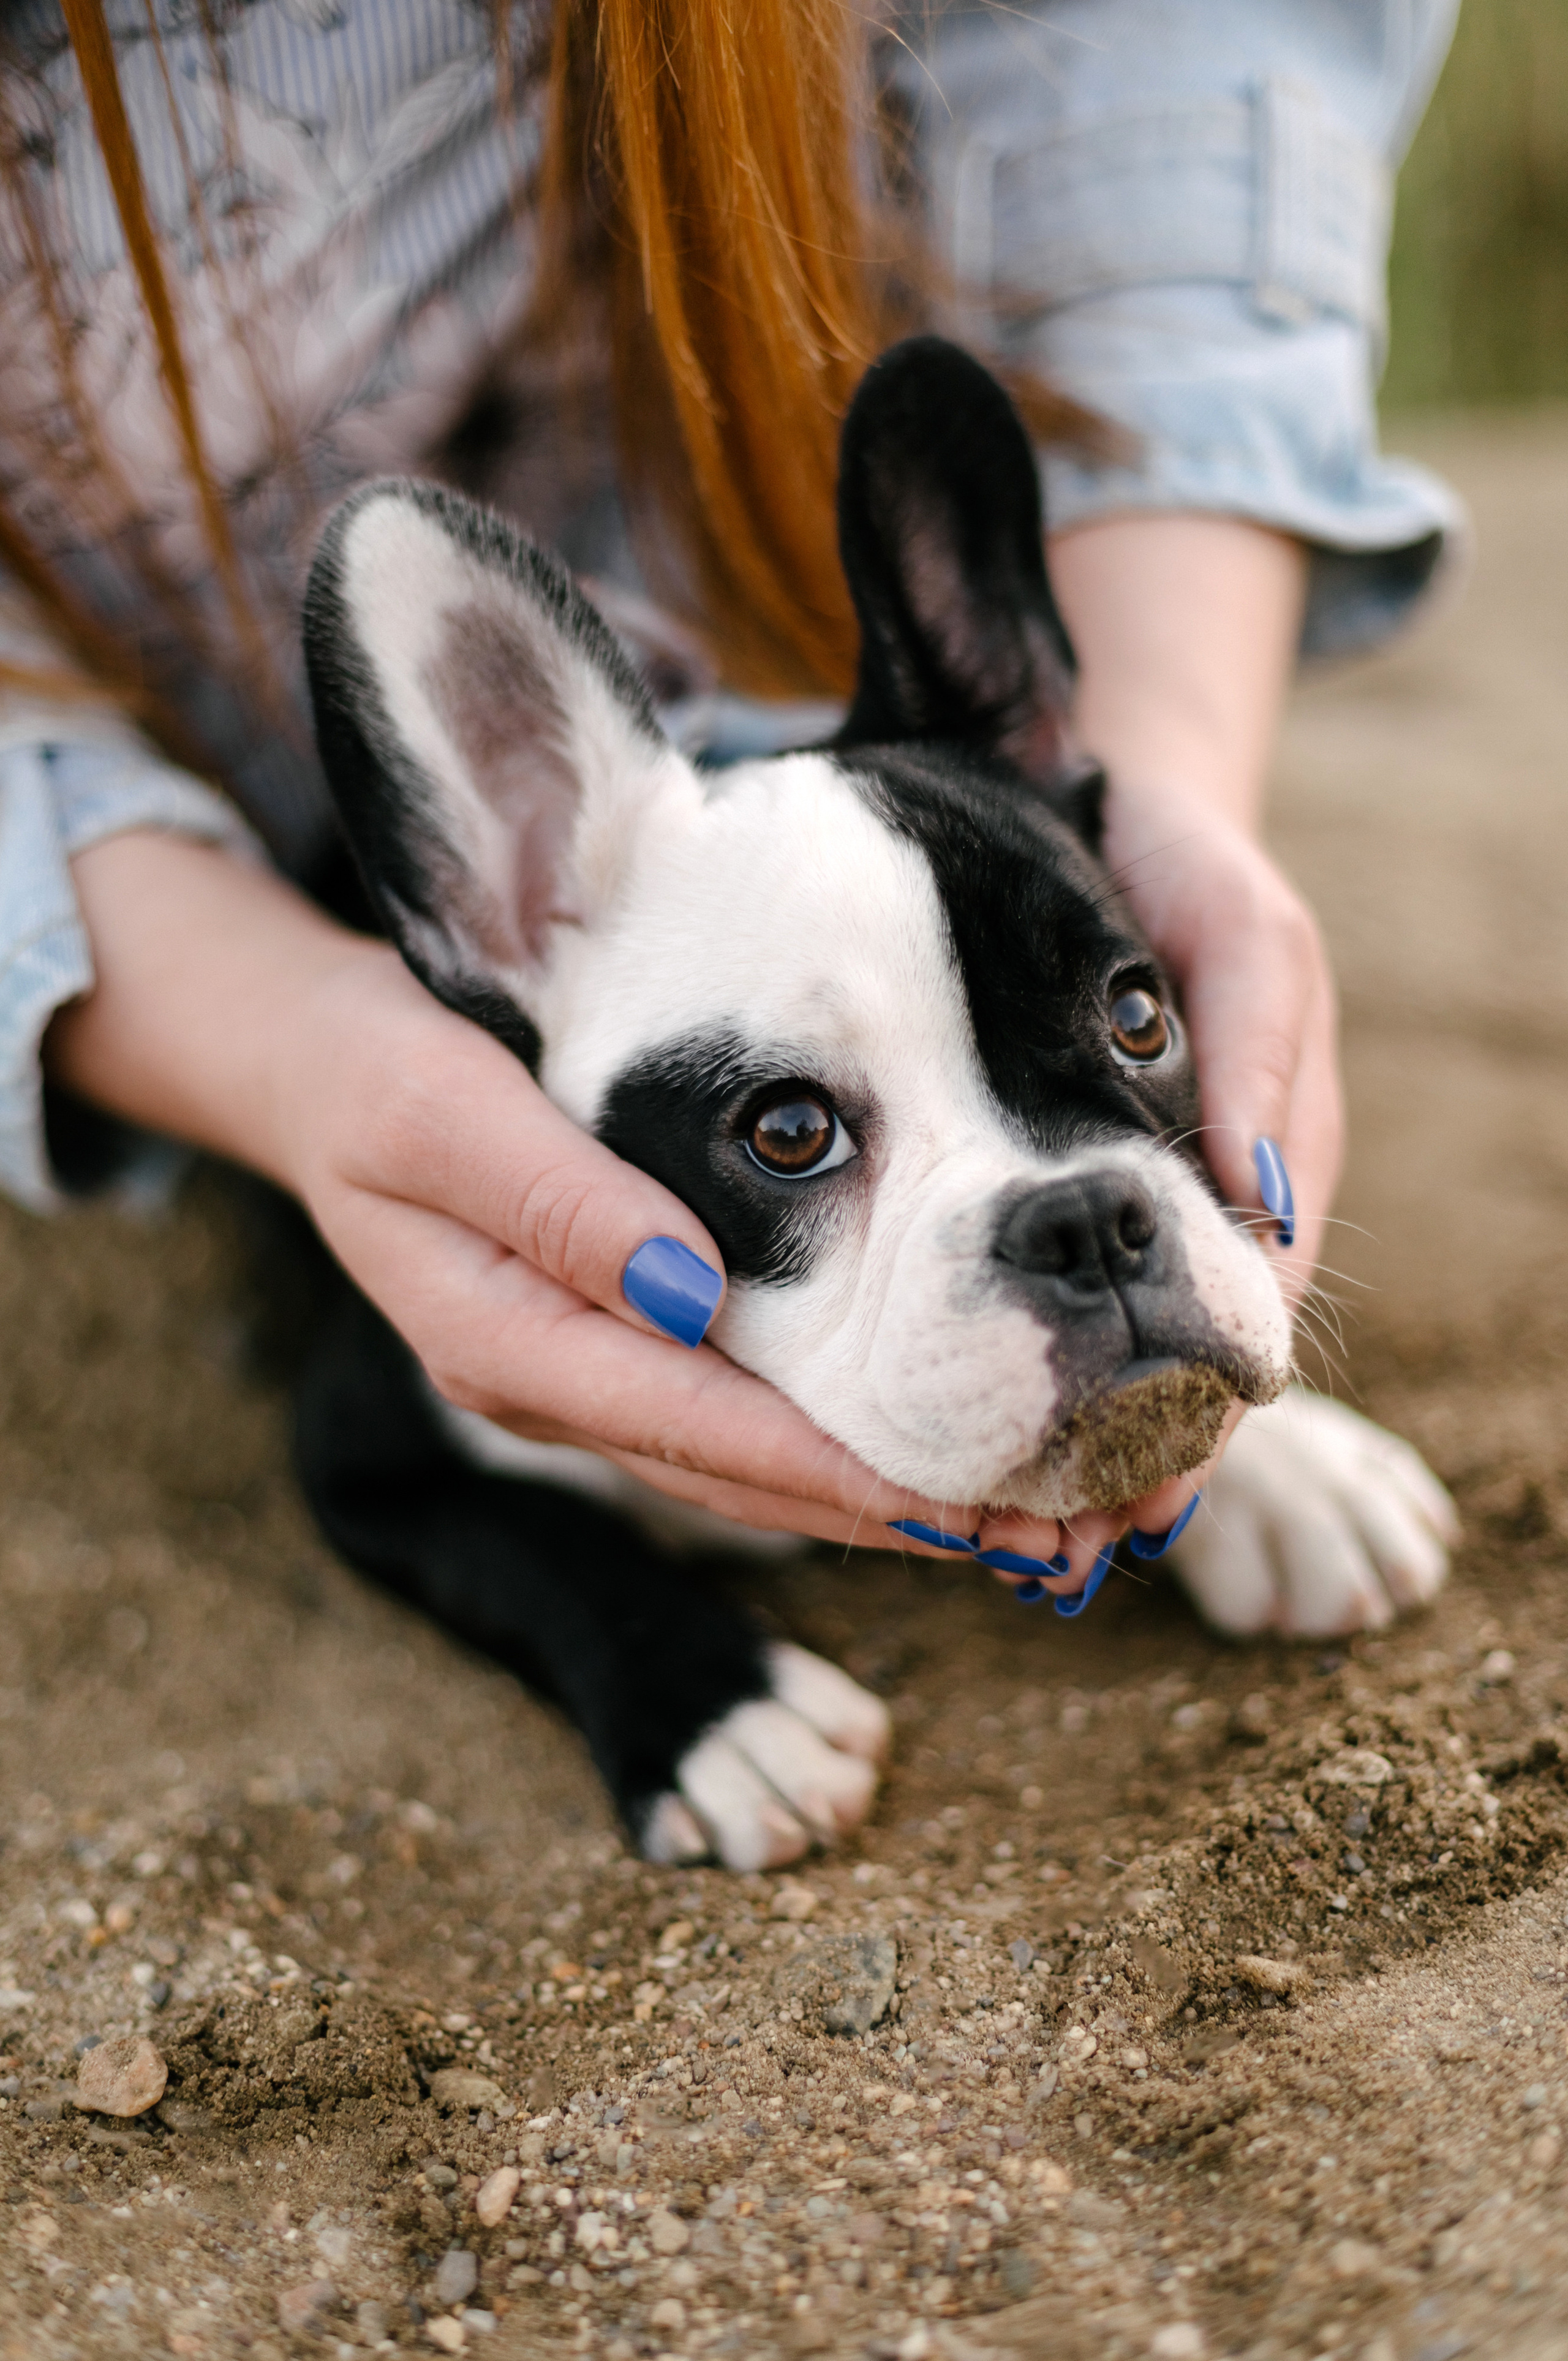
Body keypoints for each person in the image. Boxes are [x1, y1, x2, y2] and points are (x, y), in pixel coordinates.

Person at [0, 0, 1461, 1603]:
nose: (1083, 1223)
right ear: (499, 913)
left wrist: (1168, 753)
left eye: (1124, 1021)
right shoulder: (578, 896)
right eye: (794, 1130)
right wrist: (278, 1047)